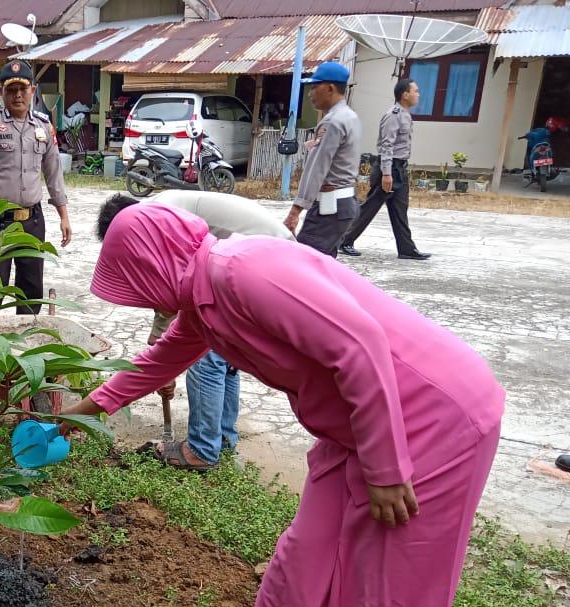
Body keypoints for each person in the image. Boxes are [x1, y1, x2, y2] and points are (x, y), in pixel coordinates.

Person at [61, 203, 504, 607]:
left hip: (433, 413)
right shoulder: (204, 302)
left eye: (135, 283)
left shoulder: (241, 269)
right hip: (355, 423)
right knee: (307, 547)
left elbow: (361, 344)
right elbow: (160, 360)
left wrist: (387, 469)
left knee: (405, 573)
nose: (141, 298)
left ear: (153, 262)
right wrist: (80, 413)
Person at [96, 191, 294, 470]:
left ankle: (202, 450)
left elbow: (171, 291)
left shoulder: (157, 218)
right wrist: (160, 352)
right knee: (226, 358)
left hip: (259, 262)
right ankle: (223, 439)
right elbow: (172, 294)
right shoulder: (159, 208)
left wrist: (162, 362)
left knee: (205, 357)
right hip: (275, 253)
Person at [0, 60, 71, 315]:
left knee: (31, 289)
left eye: (23, 88)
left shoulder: (43, 127)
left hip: (33, 220)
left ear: (33, 90)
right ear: (1, 92)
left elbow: (54, 173)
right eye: (11, 90)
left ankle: (27, 345)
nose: (18, 95)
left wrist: (64, 215)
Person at [340, 79, 431, 260]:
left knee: (400, 209)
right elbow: (386, 145)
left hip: (399, 168)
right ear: (405, 94)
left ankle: (406, 249)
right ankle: (344, 240)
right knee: (370, 207)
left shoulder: (404, 114)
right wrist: (387, 173)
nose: (418, 94)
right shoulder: (393, 115)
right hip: (388, 169)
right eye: (416, 91)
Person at [284, 62, 361, 258]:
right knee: (324, 269)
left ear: (330, 88)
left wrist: (295, 211)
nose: (310, 94)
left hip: (329, 208)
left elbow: (317, 169)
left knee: (303, 266)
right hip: (344, 204)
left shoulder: (332, 122)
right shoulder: (350, 117)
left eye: (314, 87)